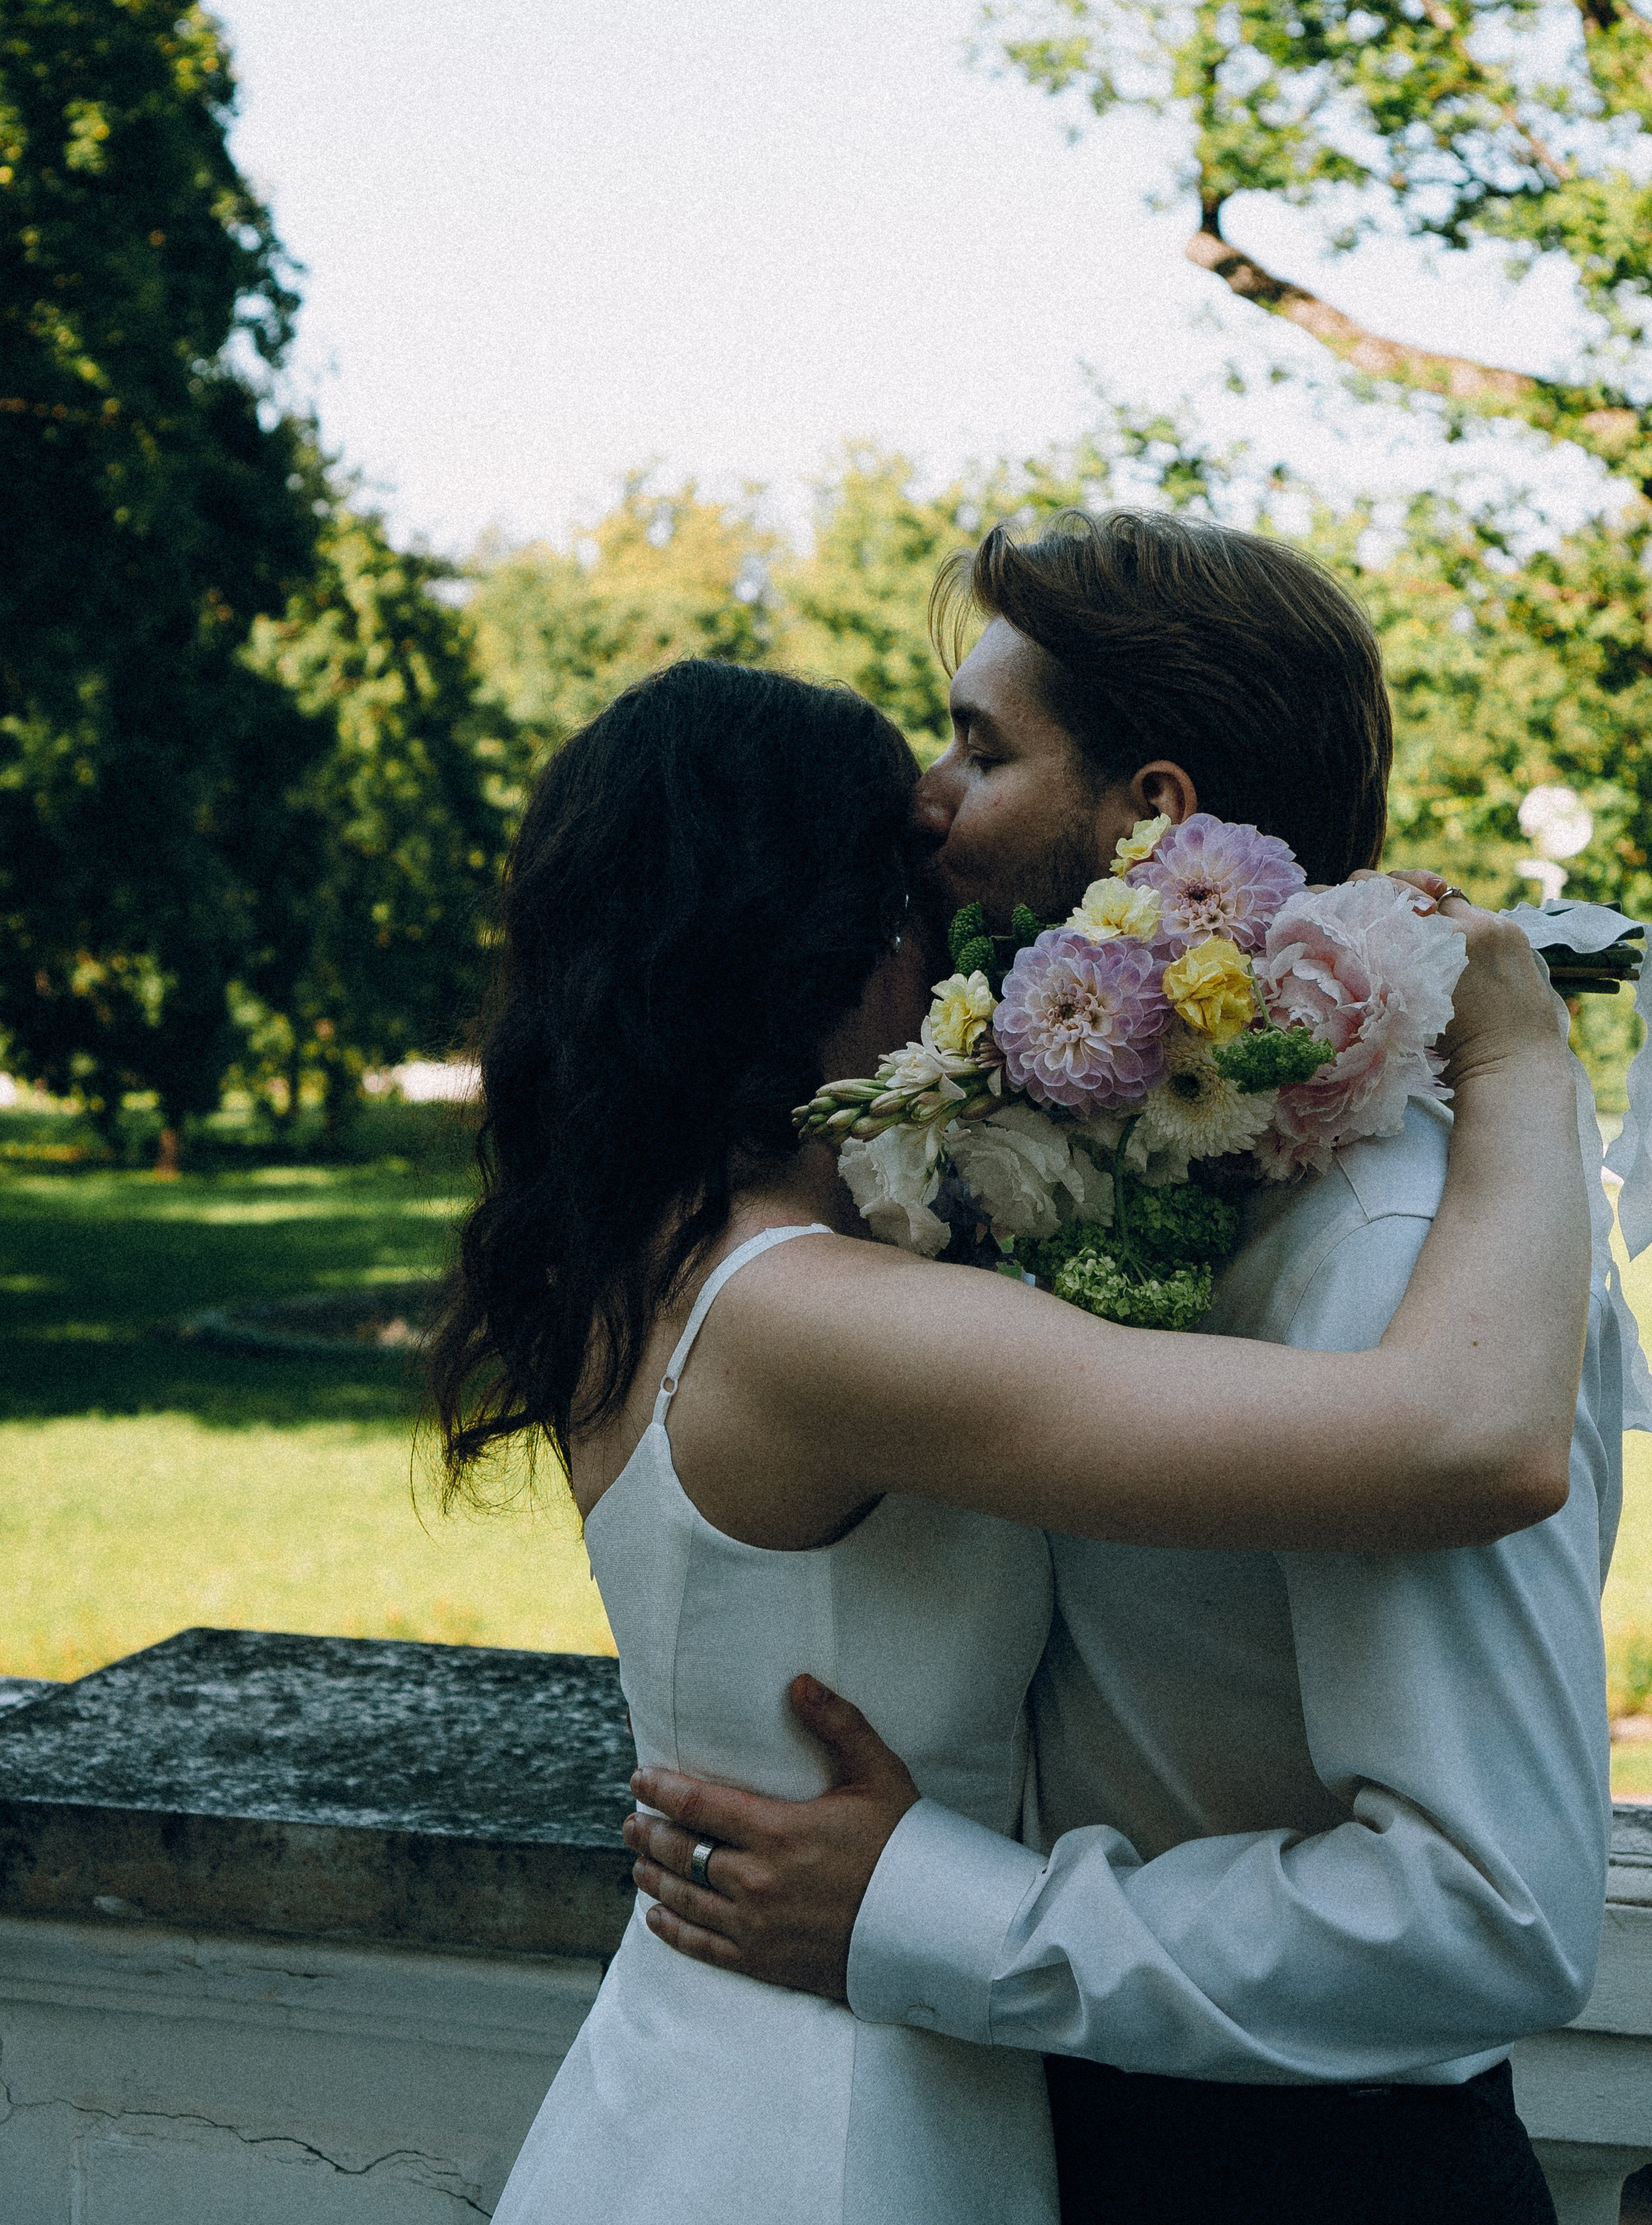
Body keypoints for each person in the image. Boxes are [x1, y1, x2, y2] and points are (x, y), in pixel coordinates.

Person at [428, 641, 1589, 2225]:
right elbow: (1470, 1441)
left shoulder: (664, 1253)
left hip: (735, 2049)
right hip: (836, 2112)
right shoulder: (813, 1319)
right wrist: (1519, 1059)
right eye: (918, 891)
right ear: (841, 933)